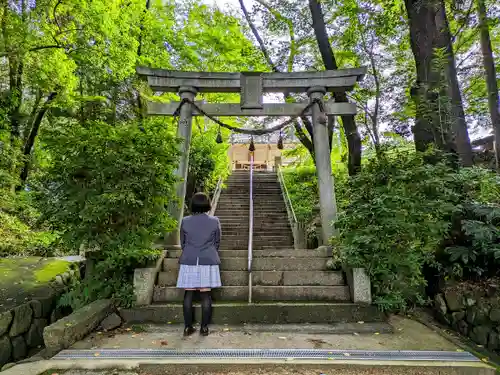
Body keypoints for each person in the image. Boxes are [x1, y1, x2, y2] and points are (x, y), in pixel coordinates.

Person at [176, 192, 222, 337]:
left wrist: (190, 250)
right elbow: (217, 241)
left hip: (189, 258)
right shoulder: (214, 221)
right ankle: (204, 328)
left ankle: (187, 327)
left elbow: (182, 242)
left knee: (188, 294)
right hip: (207, 259)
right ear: (208, 204)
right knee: (205, 295)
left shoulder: (185, 220)